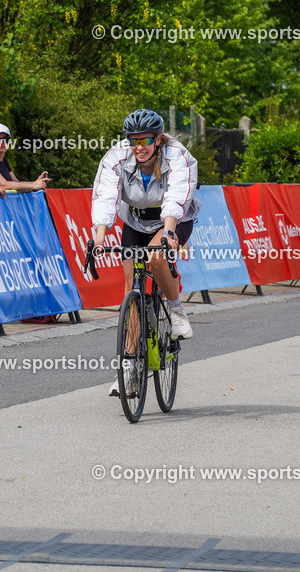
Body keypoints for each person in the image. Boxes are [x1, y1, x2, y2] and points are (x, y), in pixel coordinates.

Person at [90, 109, 200, 397]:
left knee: (156, 255)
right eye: (133, 140)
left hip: (173, 220)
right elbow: (105, 196)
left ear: (158, 139)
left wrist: (170, 232)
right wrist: (99, 237)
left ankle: (176, 310)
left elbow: (178, 194)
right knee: (132, 294)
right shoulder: (116, 157)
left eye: (145, 141)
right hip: (136, 221)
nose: (139, 147)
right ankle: (128, 370)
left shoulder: (178, 156)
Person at [0, 123, 51, 192]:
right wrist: (33, 185)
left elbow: (16, 183)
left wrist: (36, 183)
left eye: (6, 139)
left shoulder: (3, 159)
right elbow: (4, 185)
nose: (2, 142)